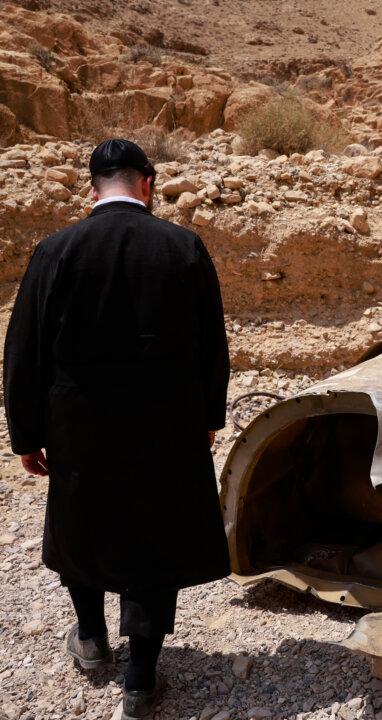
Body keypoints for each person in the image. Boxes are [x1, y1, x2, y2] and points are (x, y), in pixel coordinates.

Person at [2, 139, 230, 718]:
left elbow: (23, 352)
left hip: (79, 427)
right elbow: (211, 345)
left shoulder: (55, 250)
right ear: (147, 183)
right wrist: (208, 418)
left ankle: (92, 640)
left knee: (83, 526)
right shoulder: (183, 247)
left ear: (92, 189)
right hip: (166, 427)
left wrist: (26, 434)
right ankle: (141, 678)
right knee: (153, 537)